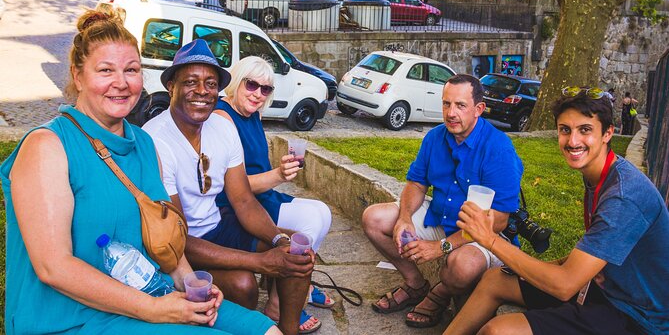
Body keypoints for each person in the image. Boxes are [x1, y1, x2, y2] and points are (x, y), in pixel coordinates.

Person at [0, 11, 279, 335]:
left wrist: (190, 285)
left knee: (265, 330)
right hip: (72, 318)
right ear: (78, 76)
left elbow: (165, 242)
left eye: (131, 70)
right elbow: (53, 268)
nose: (121, 82)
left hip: (152, 291)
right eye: (105, 70)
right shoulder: (47, 146)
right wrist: (156, 309)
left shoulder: (144, 144)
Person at [445, 86, 669, 335]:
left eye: (585, 130)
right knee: (495, 279)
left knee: (498, 332)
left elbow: (564, 285)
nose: (573, 141)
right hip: (604, 286)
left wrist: (489, 239)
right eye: (565, 130)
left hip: (635, 315)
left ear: (608, 133)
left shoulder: (623, 196)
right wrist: (537, 269)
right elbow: (586, 255)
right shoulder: (600, 175)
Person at [142, 40, 316, 335]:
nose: (202, 91)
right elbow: (177, 239)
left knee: (297, 254)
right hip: (184, 247)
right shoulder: (156, 140)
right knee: (244, 284)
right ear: (171, 85)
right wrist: (260, 262)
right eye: (191, 82)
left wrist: (277, 242)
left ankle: (289, 331)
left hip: (220, 227)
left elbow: (244, 201)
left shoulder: (223, 127)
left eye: (210, 83)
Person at [362, 74, 523, 328]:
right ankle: (416, 285)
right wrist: (404, 219)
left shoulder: (498, 148)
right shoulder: (435, 137)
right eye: (446, 104)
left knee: (462, 265)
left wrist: (441, 247)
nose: (450, 113)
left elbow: (499, 221)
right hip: (440, 216)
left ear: (479, 109)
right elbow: (416, 183)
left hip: (480, 235)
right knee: (374, 218)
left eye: (460, 105)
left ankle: (439, 293)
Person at [213, 56, 334, 313]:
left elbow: (256, 166)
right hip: (238, 205)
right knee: (308, 225)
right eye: (251, 85)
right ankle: (281, 301)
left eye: (265, 89)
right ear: (236, 81)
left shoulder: (251, 113)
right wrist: (279, 175)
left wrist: (278, 169)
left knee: (322, 212)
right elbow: (233, 188)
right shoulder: (223, 118)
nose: (258, 94)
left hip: (263, 196)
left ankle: (298, 282)